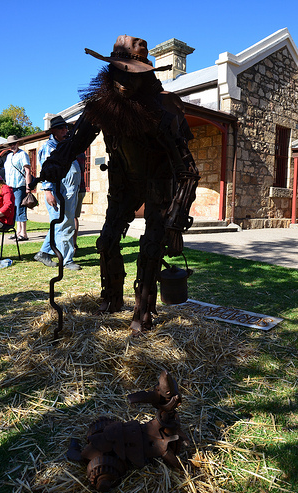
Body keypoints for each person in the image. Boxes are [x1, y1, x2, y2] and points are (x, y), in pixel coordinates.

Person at [39, 35, 199, 333]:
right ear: (109, 70)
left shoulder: (162, 111)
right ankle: (111, 298)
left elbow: (188, 172)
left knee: (151, 247)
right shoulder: (101, 107)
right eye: (119, 70)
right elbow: (75, 141)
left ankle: (143, 309)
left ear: (145, 77)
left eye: (132, 73)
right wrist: (55, 163)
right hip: (123, 182)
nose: (125, 79)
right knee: (107, 240)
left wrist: (175, 225)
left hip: (159, 181)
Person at [34, 115, 82, 270]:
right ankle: (66, 260)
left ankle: (44, 253)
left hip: (69, 193)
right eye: (61, 128)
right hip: (58, 193)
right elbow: (47, 171)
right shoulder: (49, 148)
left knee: (61, 225)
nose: (65, 130)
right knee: (63, 226)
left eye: (66, 127)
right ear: (53, 131)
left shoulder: (65, 145)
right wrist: (48, 192)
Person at [4, 135, 32, 241]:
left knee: (21, 208)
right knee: (14, 209)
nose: (12, 146)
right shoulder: (9, 156)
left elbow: (28, 171)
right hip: (10, 186)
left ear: (18, 143)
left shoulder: (23, 154)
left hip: (20, 185)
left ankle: (23, 233)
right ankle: (18, 231)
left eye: (14, 144)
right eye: (10, 144)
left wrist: (28, 187)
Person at [73, 153, 86, 252]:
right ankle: (74, 243)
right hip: (81, 188)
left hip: (73, 189)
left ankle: (71, 244)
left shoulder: (71, 151)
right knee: (74, 217)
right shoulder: (81, 153)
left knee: (71, 217)